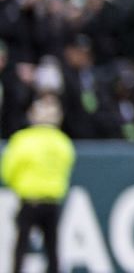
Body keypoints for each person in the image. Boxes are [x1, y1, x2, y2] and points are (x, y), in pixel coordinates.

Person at [2, 96, 75, 273]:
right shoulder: (62, 142)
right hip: (52, 201)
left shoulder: (22, 140)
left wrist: (18, 184)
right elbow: (67, 166)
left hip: (29, 201)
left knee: (21, 247)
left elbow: (7, 170)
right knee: (52, 249)